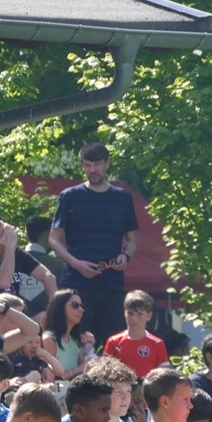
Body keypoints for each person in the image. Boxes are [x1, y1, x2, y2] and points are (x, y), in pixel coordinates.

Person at [48, 143, 139, 340]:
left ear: (107, 163)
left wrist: (125, 256)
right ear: (82, 165)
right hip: (76, 283)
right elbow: (53, 239)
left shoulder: (122, 198)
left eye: (97, 164)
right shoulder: (70, 196)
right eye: (87, 165)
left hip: (111, 284)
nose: (92, 170)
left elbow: (132, 240)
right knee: (71, 339)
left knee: (113, 342)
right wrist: (76, 263)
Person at [0, 218, 57, 302]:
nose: (9, 240)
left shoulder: (17, 254)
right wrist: (9, 248)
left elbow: (48, 276)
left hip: (13, 310)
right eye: (4, 238)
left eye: (8, 235)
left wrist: (54, 309)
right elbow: (4, 282)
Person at [103, 290, 171, 379]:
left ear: (149, 316)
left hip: (146, 387)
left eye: (139, 314)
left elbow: (165, 376)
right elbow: (105, 372)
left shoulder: (157, 343)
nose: (134, 318)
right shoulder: (113, 342)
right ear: (124, 313)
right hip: (122, 387)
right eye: (130, 313)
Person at [41, 289, 96, 378]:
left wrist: (88, 348)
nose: (81, 310)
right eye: (75, 305)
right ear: (60, 307)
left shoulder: (75, 341)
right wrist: (76, 371)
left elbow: (84, 370)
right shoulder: (48, 339)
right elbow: (48, 379)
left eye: (81, 306)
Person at [24, 214, 67, 317]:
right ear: (48, 237)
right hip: (47, 321)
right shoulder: (57, 265)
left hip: (13, 322)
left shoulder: (9, 262)